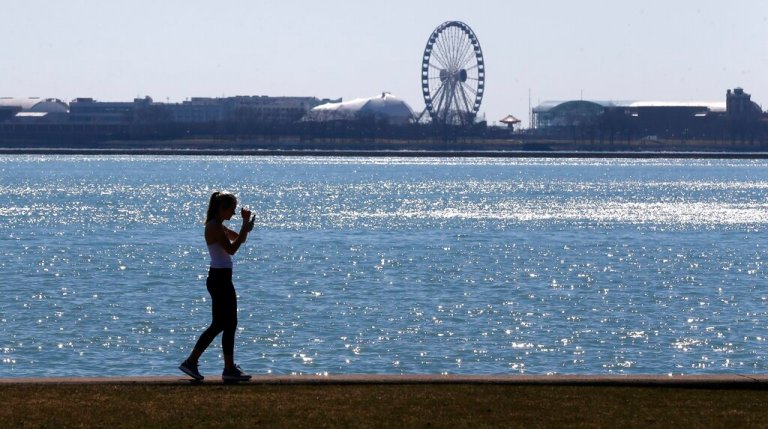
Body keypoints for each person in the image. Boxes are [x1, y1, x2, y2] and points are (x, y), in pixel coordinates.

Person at [179, 191, 255, 382]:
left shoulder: (219, 226)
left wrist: (246, 226)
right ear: (222, 208)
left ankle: (218, 366)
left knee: (225, 324)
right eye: (232, 209)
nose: (234, 213)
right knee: (224, 324)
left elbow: (239, 238)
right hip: (219, 279)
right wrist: (244, 226)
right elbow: (232, 249)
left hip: (221, 278)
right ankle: (216, 366)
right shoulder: (214, 227)